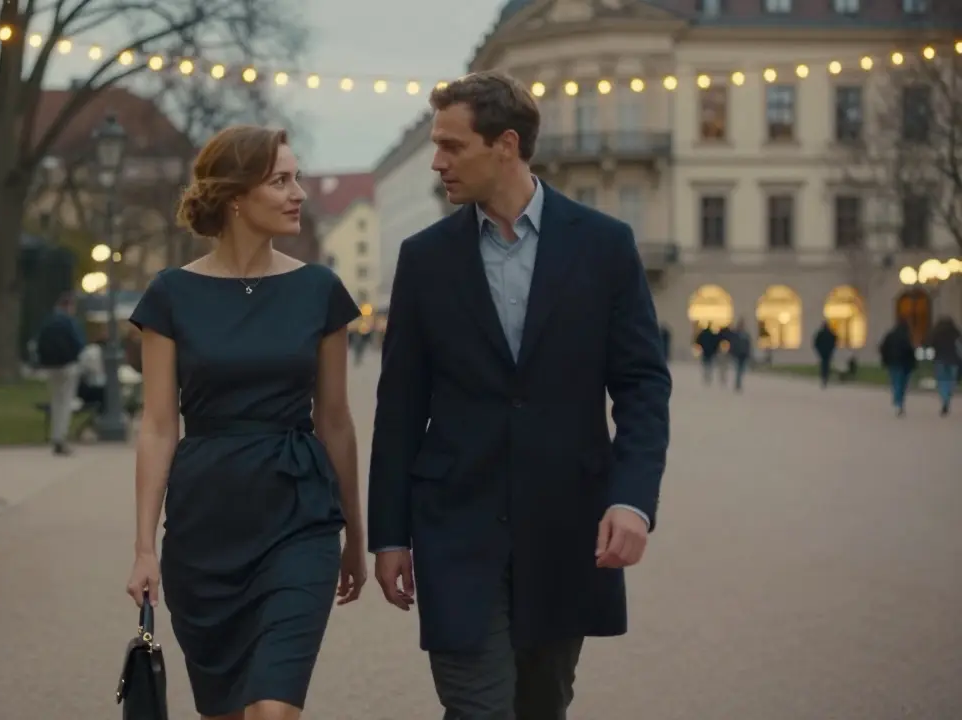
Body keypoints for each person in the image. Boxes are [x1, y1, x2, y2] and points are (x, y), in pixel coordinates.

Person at [367, 71, 671, 720]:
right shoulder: (424, 259)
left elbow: (643, 384)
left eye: (452, 146)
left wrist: (632, 499)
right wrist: (388, 533)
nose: (438, 162)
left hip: (566, 524)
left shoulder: (605, 246)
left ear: (505, 145)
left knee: (542, 704)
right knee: (478, 708)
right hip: (455, 525)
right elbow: (399, 407)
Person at [125, 125, 367, 720]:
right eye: (280, 181)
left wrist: (355, 536)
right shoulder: (171, 295)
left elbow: (335, 420)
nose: (298, 194)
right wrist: (143, 546)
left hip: (300, 516)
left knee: (273, 711)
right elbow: (158, 426)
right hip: (205, 526)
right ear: (235, 196)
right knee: (229, 712)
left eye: (298, 179)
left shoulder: (320, 291)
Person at [33, 292, 85, 455]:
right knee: (65, 402)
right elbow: (79, 342)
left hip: (50, 366)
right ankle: (61, 438)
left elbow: (38, 342)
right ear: (69, 306)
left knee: (56, 401)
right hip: (68, 365)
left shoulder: (48, 321)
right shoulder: (69, 322)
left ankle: (55, 436)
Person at [878, 319, 917, 417]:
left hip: (893, 362)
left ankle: (898, 401)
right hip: (905, 364)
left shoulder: (890, 335)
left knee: (896, 382)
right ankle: (900, 401)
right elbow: (910, 350)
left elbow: (883, 347)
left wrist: (885, 359)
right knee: (903, 383)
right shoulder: (907, 337)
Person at [926, 316, 961, 416]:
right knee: (951, 381)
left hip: (939, 359)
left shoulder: (936, 333)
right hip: (954, 360)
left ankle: (945, 400)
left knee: (942, 381)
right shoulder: (956, 332)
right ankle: (947, 398)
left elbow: (929, 344)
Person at [726, 318, 752, 392]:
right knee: (738, 370)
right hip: (737, 355)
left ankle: (738, 383)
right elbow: (732, 344)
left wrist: (749, 354)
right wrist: (731, 353)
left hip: (744, 355)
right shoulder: (735, 334)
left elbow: (748, 345)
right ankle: (738, 384)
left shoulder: (746, 335)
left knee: (742, 370)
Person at [813, 322, 837, 388]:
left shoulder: (821, 334)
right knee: (826, 364)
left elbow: (816, 343)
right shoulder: (830, 333)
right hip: (827, 352)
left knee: (824, 364)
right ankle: (825, 376)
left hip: (823, 352)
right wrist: (832, 349)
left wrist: (819, 351)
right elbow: (835, 341)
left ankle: (824, 376)